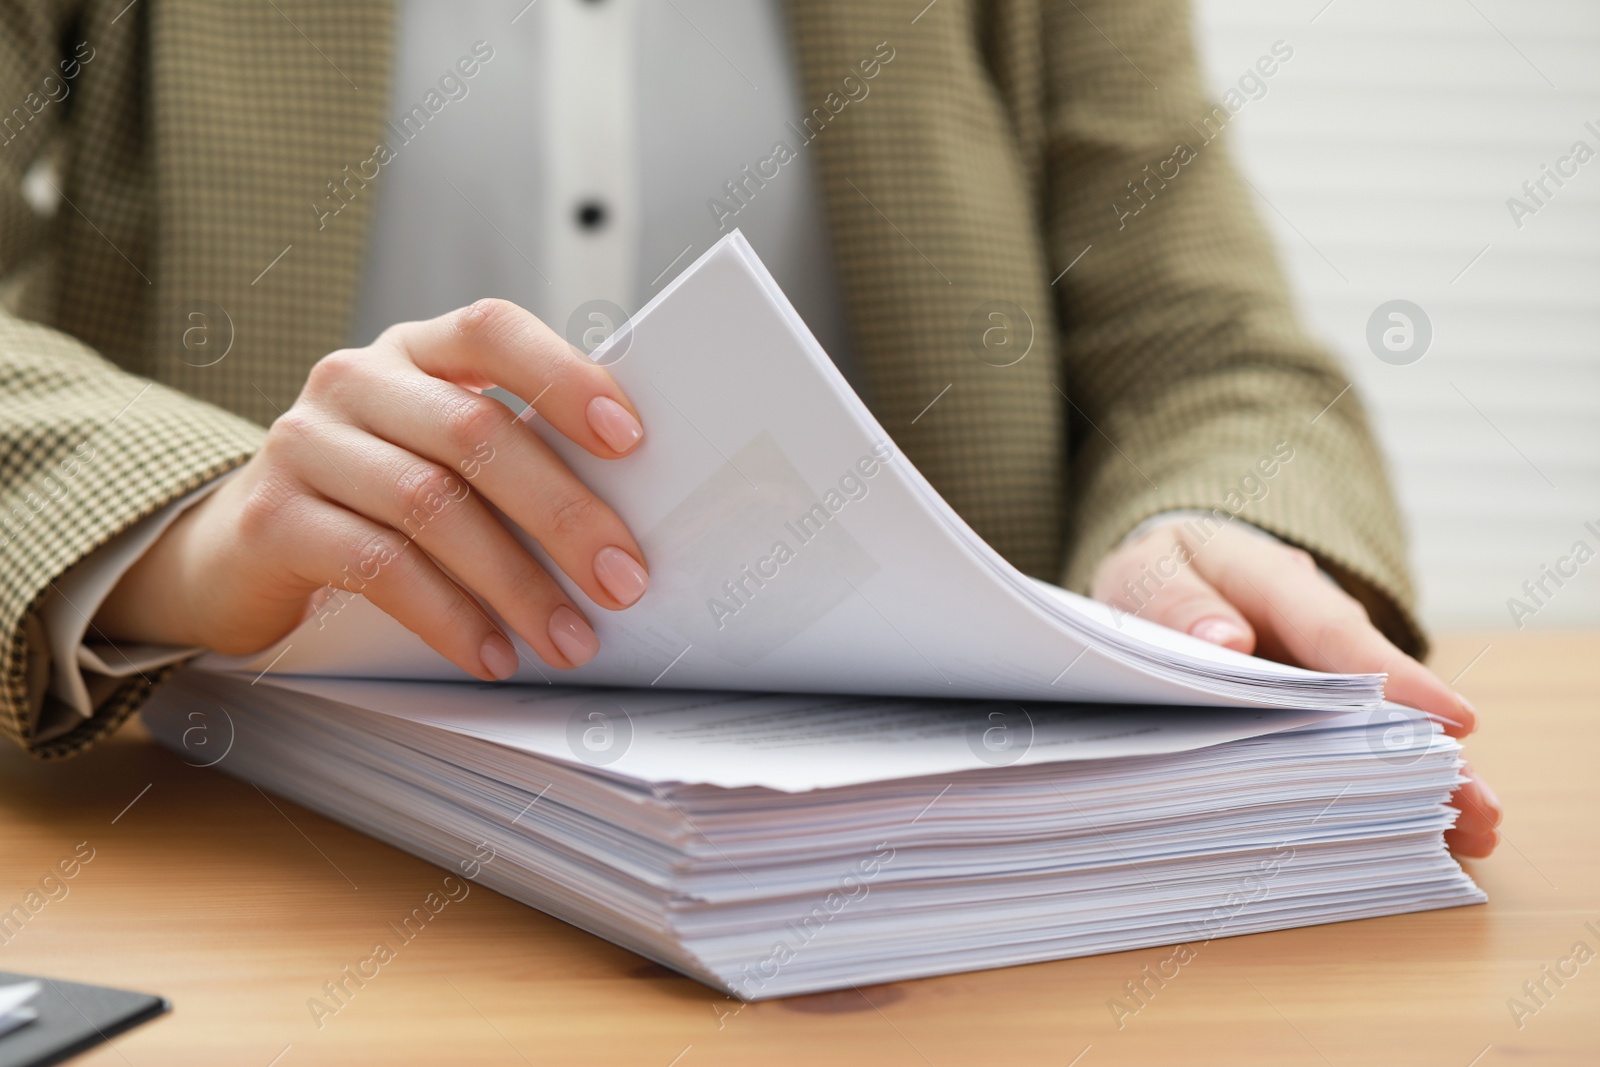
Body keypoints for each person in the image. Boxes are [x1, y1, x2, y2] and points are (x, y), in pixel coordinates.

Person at [0, 0, 1497, 856]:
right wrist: (177, 521)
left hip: (925, 882)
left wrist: (1208, 537)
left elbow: (1213, 351)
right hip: (238, 848)